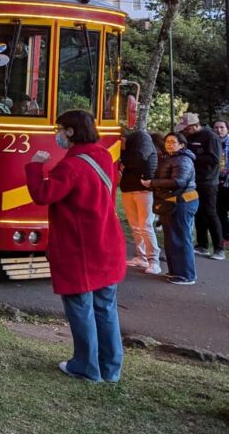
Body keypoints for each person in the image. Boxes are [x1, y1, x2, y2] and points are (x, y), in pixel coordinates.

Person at [25, 109, 126, 383]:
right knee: (106, 307)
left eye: (60, 129)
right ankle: (111, 368)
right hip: (107, 242)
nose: (58, 134)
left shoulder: (71, 166)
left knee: (80, 306)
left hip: (80, 248)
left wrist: (35, 166)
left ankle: (85, 366)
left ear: (70, 131)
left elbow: (43, 194)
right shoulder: (103, 155)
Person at [142, 133, 199, 285]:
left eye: (173, 142)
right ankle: (176, 272)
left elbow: (179, 181)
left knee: (181, 238)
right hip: (172, 202)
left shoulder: (184, 159)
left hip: (182, 202)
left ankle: (186, 274)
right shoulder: (170, 158)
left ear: (182, 145)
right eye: (167, 141)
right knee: (172, 238)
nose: (169, 144)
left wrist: (153, 183)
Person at [178, 112, 224, 260]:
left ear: (195, 125)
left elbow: (214, 159)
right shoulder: (190, 136)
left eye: (187, 128)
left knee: (210, 213)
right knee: (197, 212)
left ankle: (219, 248)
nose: (185, 131)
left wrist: (193, 157)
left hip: (208, 180)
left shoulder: (210, 137)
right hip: (193, 180)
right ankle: (202, 244)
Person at [120, 125, 161, 274]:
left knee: (146, 226)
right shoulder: (134, 144)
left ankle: (153, 260)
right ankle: (141, 257)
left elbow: (137, 159)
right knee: (136, 226)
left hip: (143, 188)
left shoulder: (141, 139)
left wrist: (124, 158)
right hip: (129, 187)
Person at [214, 120, 229, 249]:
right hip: (217, 180)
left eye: (222, 127)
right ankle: (225, 237)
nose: (219, 130)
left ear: (227, 129)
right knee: (220, 210)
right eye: (216, 127)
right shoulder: (214, 142)